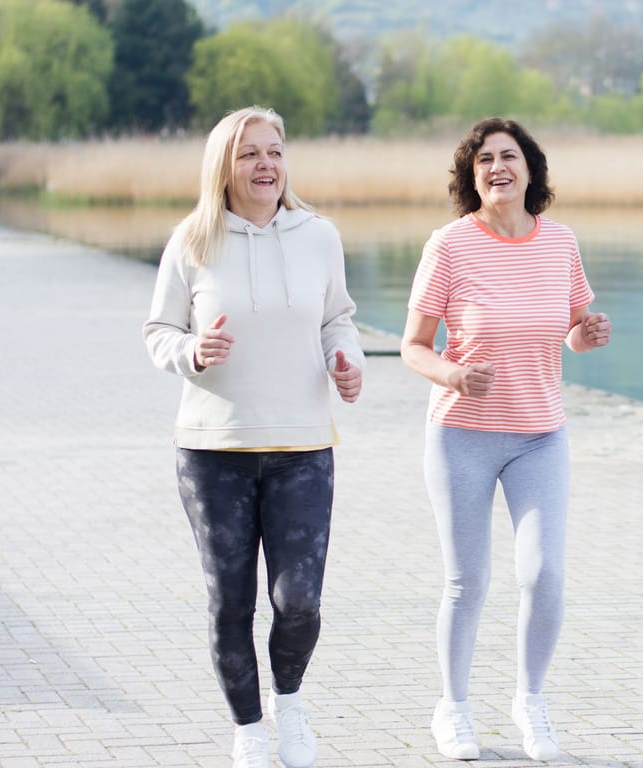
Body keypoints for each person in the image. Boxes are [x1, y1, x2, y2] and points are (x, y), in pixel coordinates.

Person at [143, 105, 364, 768]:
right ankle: (248, 729)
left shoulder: (319, 235)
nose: (265, 164)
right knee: (230, 603)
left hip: (302, 447)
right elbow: (159, 332)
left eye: (274, 151)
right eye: (249, 154)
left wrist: (344, 362)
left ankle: (290, 707)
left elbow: (339, 319)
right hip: (214, 452)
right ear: (225, 166)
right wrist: (194, 352)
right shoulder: (193, 239)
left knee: (299, 602)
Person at [401, 117, 611, 762]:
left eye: (509, 156)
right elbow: (413, 346)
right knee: (467, 581)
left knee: (544, 575)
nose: (498, 167)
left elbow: (571, 329)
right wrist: (453, 373)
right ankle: (454, 710)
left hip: (540, 435)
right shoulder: (449, 246)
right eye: (485, 159)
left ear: (530, 170)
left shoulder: (561, 244)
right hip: (461, 435)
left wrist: (586, 335)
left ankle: (530, 700)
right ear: (471, 176)